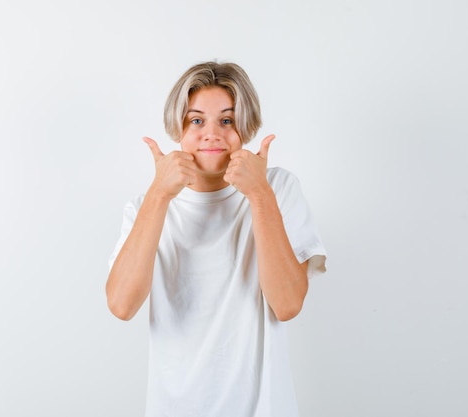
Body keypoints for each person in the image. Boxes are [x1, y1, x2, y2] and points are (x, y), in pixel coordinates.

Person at [106, 61, 327, 417]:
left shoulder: (278, 189)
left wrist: (259, 194)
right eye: (196, 120)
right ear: (177, 127)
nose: (212, 133)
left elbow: (287, 304)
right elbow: (121, 305)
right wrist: (159, 196)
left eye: (226, 120)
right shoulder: (144, 207)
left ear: (246, 126)